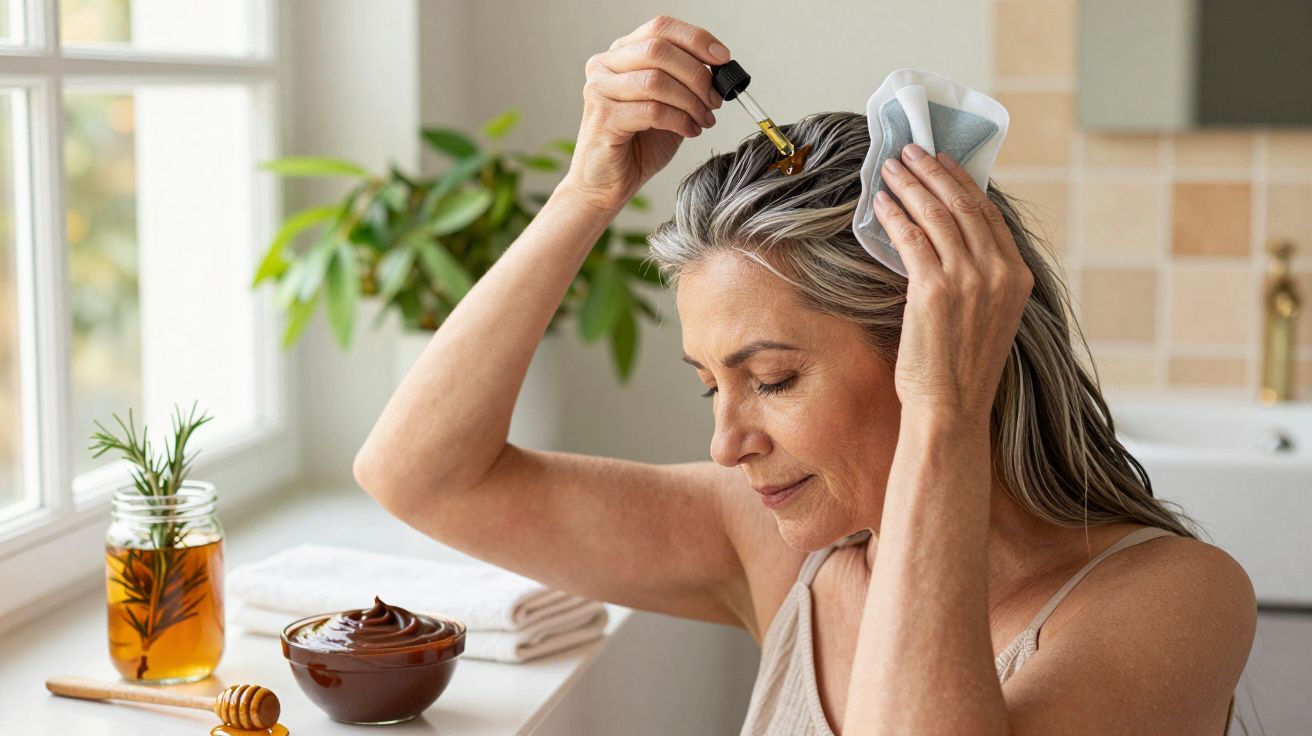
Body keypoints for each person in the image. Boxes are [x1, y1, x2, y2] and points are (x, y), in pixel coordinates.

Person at [354, 15, 1256, 735]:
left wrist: (943, 413)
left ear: (941, 336)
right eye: (713, 385)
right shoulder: (776, 541)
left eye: (774, 379)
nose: (726, 442)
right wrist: (589, 190)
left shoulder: (1174, 599)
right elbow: (424, 475)